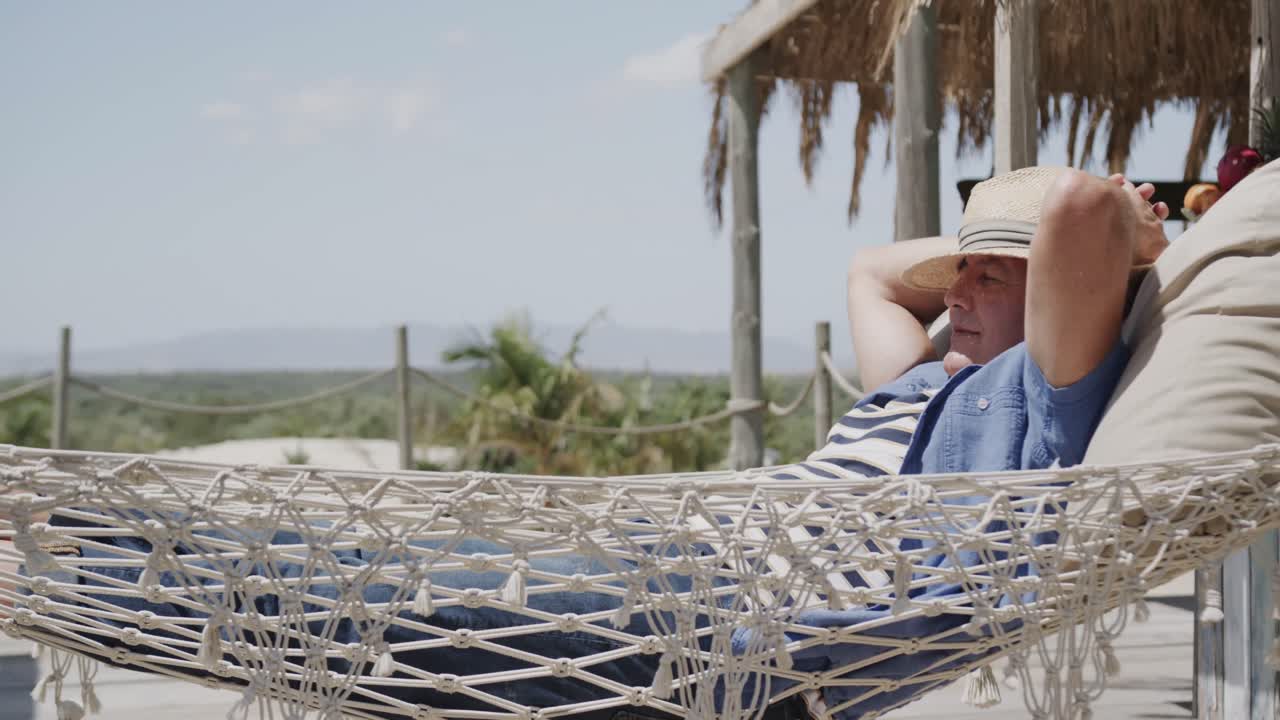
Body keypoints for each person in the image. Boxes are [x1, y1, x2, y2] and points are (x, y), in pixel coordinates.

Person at [3, 166, 1169, 720]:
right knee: (349, 566)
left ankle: (57, 565)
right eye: (953, 270)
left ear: (1071, 293)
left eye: (988, 272)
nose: (954, 289)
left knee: (368, 607)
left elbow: (1072, 217)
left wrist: (1123, 220)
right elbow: (871, 271)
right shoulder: (921, 382)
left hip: (726, 621)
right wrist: (970, 248)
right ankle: (73, 549)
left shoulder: (1042, 397)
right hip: (675, 551)